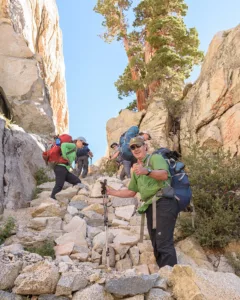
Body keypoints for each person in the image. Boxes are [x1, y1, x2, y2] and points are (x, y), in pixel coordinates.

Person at [106, 136, 179, 268]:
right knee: (156, 244)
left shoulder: (155, 158)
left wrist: (147, 171)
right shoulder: (136, 170)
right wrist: (112, 192)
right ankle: (165, 274)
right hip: (150, 206)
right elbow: (131, 192)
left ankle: (172, 276)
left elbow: (164, 175)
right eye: (132, 147)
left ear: (145, 146)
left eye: (138, 145)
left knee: (163, 242)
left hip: (164, 202)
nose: (135, 149)